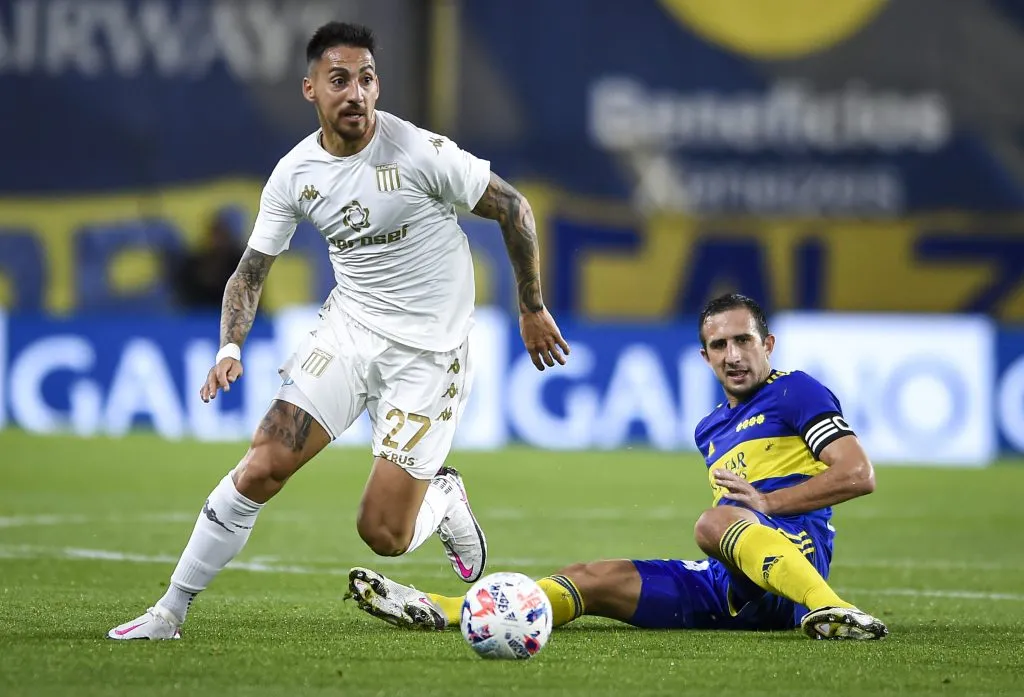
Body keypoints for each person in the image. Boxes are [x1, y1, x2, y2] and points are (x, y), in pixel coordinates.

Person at [108, 21, 569, 640]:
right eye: (340, 80)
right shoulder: (295, 174)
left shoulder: (421, 154)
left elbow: (514, 207)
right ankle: (169, 612)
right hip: (348, 334)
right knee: (262, 465)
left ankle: (444, 498)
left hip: (429, 356)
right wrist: (229, 346)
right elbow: (249, 273)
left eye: (368, 79)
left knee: (382, 534)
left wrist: (531, 306)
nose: (356, 92)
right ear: (311, 91)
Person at [347, 293, 888, 641]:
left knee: (713, 522)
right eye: (718, 344)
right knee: (593, 578)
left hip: (795, 560)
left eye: (743, 340)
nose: (733, 355)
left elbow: (857, 474)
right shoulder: (710, 429)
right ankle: (444, 609)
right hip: (732, 583)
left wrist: (768, 503)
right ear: (704, 357)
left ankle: (831, 609)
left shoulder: (795, 391)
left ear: (767, 344)